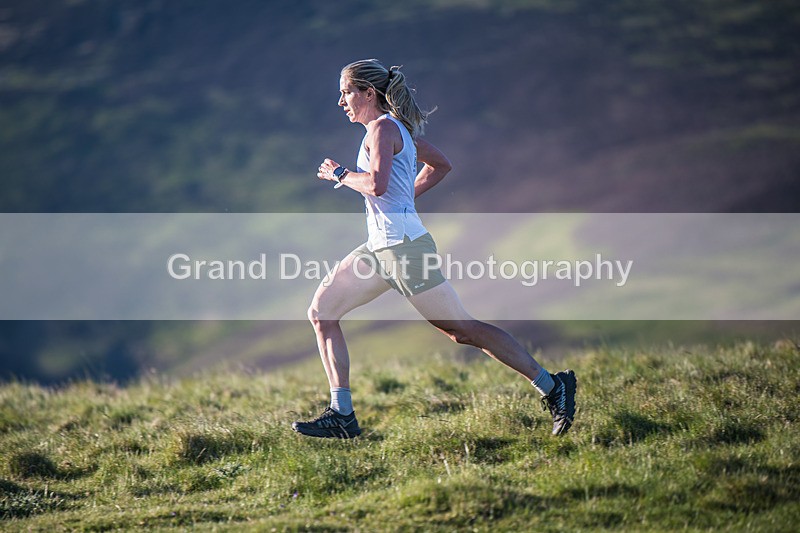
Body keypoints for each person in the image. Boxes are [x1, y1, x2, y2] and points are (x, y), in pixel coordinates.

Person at [292, 59, 576, 439]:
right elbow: (440, 165)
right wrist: (402, 201)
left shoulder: (383, 128)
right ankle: (342, 413)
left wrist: (341, 174)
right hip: (381, 248)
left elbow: (376, 184)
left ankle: (553, 386)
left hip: (405, 249)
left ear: (367, 93)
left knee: (462, 330)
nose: (341, 100)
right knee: (322, 312)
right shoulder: (394, 131)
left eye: (346, 92)